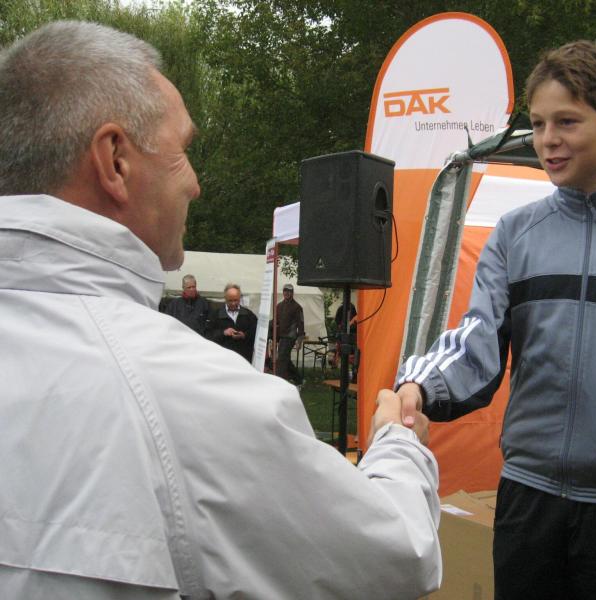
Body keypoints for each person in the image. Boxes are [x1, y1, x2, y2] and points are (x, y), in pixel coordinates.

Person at [0, 21, 440, 599]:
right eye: (183, 151)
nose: (196, 185)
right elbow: (395, 557)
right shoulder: (184, 395)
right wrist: (398, 443)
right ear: (115, 162)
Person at [395, 40, 596, 599]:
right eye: (538, 123)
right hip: (528, 500)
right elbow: (477, 341)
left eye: (567, 121)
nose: (547, 139)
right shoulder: (514, 233)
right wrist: (419, 385)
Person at [206, 283, 258, 362]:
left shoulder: (249, 315)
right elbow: (208, 335)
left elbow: (256, 333)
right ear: (225, 299)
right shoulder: (216, 315)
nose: (233, 303)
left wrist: (244, 335)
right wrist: (223, 333)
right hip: (223, 360)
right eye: (230, 300)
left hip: (244, 360)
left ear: (239, 298)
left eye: (236, 300)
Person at [274, 283, 305, 383]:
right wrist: (273, 337)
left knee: (281, 359)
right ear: (283, 292)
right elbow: (276, 323)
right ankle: (299, 380)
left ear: (292, 293)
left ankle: (280, 381)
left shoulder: (297, 307)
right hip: (281, 336)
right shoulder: (279, 306)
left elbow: (301, 324)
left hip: (290, 337)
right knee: (285, 359)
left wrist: (299, 340)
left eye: (289, 291)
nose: (287, 293)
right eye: (285, 291)